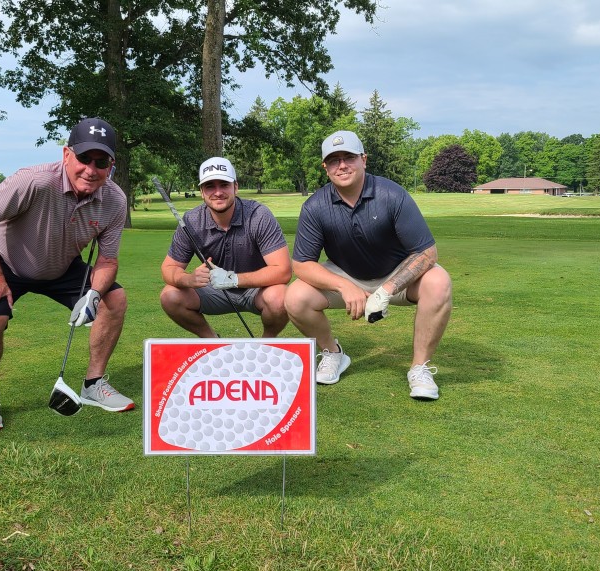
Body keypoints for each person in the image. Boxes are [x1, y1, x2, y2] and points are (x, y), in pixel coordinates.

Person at [0, 117, 134, 432]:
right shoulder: (34, 180)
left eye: (101, 162)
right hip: (8, 262)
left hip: (61, 265)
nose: (91, 168)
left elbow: (108, 260)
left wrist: (93, 297)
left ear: (111, 165)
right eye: (84, 158)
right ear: (66, 155)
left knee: (115, 299)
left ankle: (93, 384)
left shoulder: (115, 200)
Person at [285, 130, 453, 399]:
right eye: (334, 160)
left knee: (439, 280)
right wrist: (342, 286)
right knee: (295, 296)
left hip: (396, 274)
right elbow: (302, 265)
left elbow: (426, 253)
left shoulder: (392, 195)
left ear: (364, 159)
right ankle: (333, 354)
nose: (342, 165)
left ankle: (419, 368)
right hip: (346, 274)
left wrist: (386, 291)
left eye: (349, 157)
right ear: (325, 167)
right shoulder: (315, 206)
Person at [160, 157, 291, 338]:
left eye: (224, 184)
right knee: (170, 296)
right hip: (214, 291)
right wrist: (188, 279)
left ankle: (265, 344)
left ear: (235, 187)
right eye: (210, 186)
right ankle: (213, 341)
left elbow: (283, 271)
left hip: (257, 290)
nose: (218, 192)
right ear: (202, 192)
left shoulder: (258, 215)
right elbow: (168, 268)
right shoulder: (191, 220)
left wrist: (233, 279)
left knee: (281, 297)